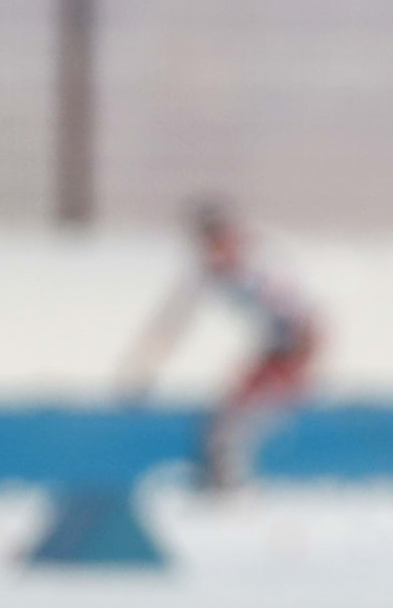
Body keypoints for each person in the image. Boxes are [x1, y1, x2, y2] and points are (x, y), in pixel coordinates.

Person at [115, 199, 324, 490]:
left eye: (221, 240)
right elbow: (171, 323)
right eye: (209, 243)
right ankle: (224, 483)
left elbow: (306, 317)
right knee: (223, 419)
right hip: (276, 347)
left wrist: (299, 362)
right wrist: (142, 369)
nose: (217, 251)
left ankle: (234, 486)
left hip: (293, 348)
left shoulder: (261, 264)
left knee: (239, 423)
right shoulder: (208, 271)